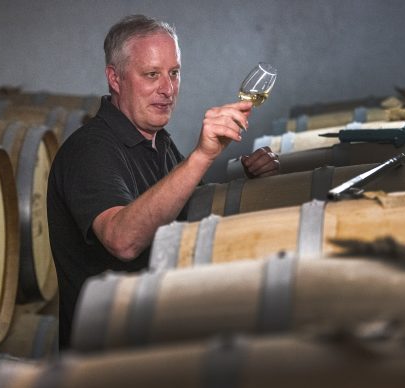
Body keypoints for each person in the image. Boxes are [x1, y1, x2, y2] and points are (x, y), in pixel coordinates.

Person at [47, 14, 279, 348]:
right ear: (115, 78)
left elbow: (193, 214)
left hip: (160, 344)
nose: (167, 89)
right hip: (110, 362)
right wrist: (201, 157)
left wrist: (249, 179)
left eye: (174, 73)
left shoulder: (161, 144)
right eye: (151, 74)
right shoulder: (89, 150)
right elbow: (122, 239)